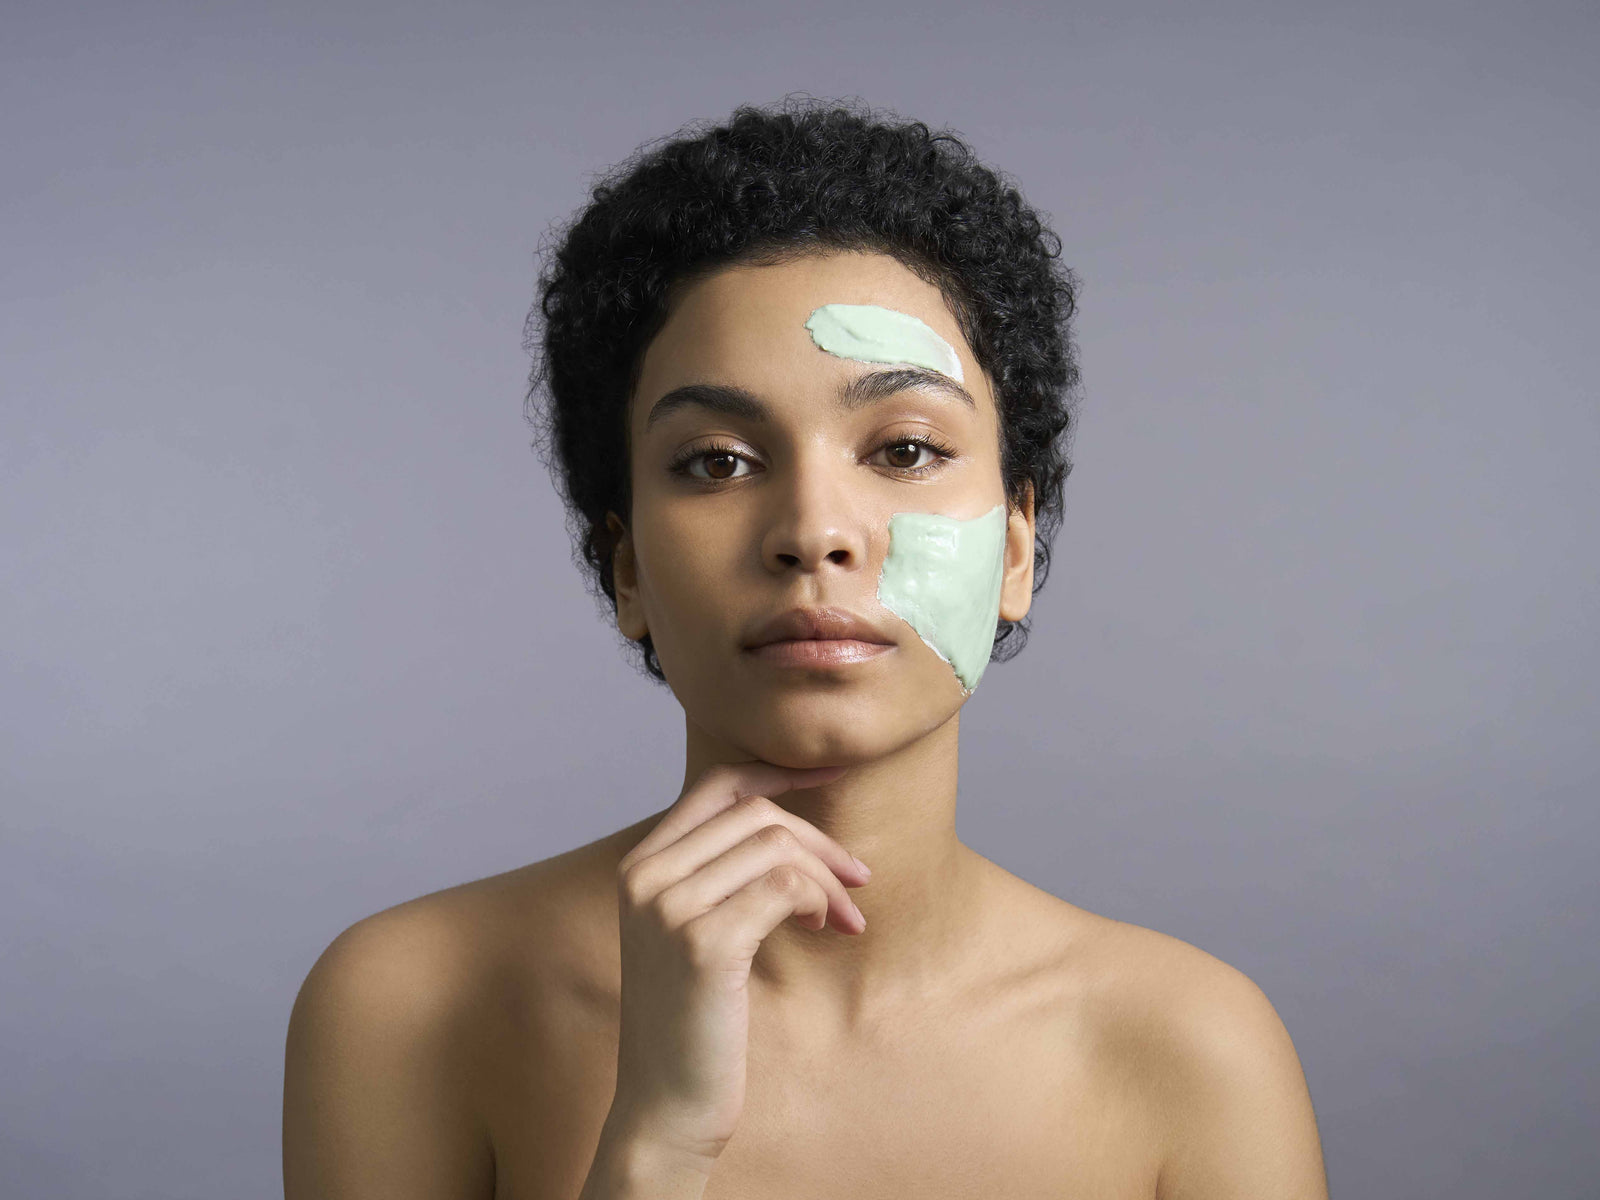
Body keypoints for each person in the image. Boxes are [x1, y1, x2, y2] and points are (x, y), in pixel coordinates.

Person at [283, 97, 1329, 1200]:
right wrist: (658, 1138)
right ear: (626, 564)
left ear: (1015, 550)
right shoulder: (411, 1006)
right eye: (718, 463)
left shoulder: (1191, 1049)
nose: (813, 532)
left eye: (907, 448)